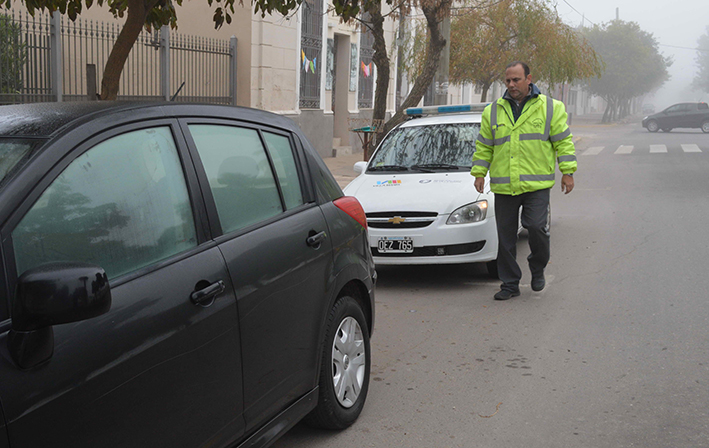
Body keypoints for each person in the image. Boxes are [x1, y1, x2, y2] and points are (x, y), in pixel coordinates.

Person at [471, 61, 577, 300]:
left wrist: (568, 171)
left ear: (529, 79)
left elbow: (563, 141)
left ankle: (537, 267)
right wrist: (479, 171)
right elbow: (485, 145)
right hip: (505, 185)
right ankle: (509, 284)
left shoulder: (550, 107)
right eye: (507, 80)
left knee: (537, 227)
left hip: (536, 185)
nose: (511, 84)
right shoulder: (493, 110)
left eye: (516, 79)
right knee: (506, 238)